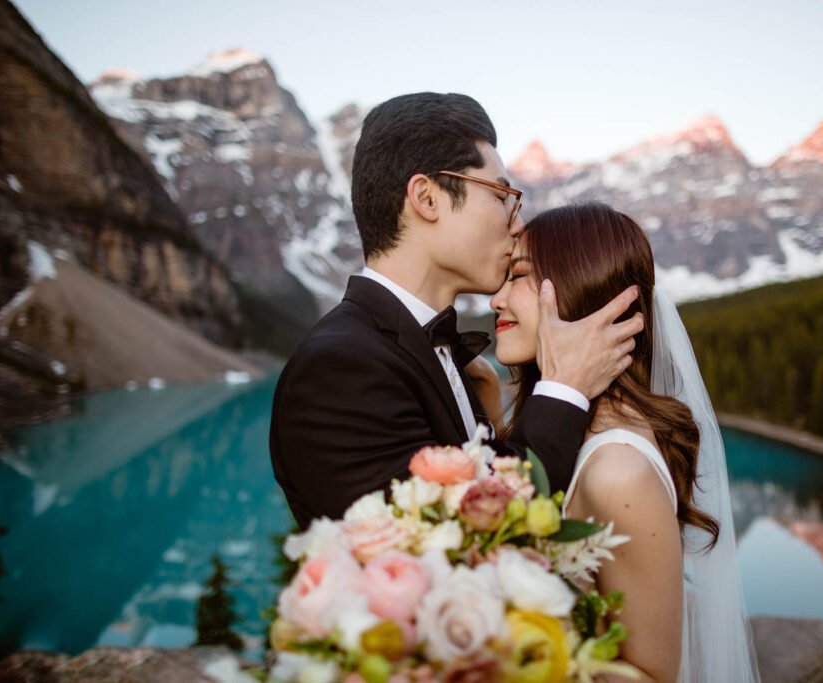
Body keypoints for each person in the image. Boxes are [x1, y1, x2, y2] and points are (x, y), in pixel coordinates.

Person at [269, 93, 643, 527]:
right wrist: (564, 388)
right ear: (427, 198)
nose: (517, 223)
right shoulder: (339, 370)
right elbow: (464, 539)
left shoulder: (439, 360)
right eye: (502, 194)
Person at [489, 203, 760, 683]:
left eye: (520, 277)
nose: (496, 299)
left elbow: (652, 674)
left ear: (580, 289)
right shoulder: (580, 432)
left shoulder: (618, 471)